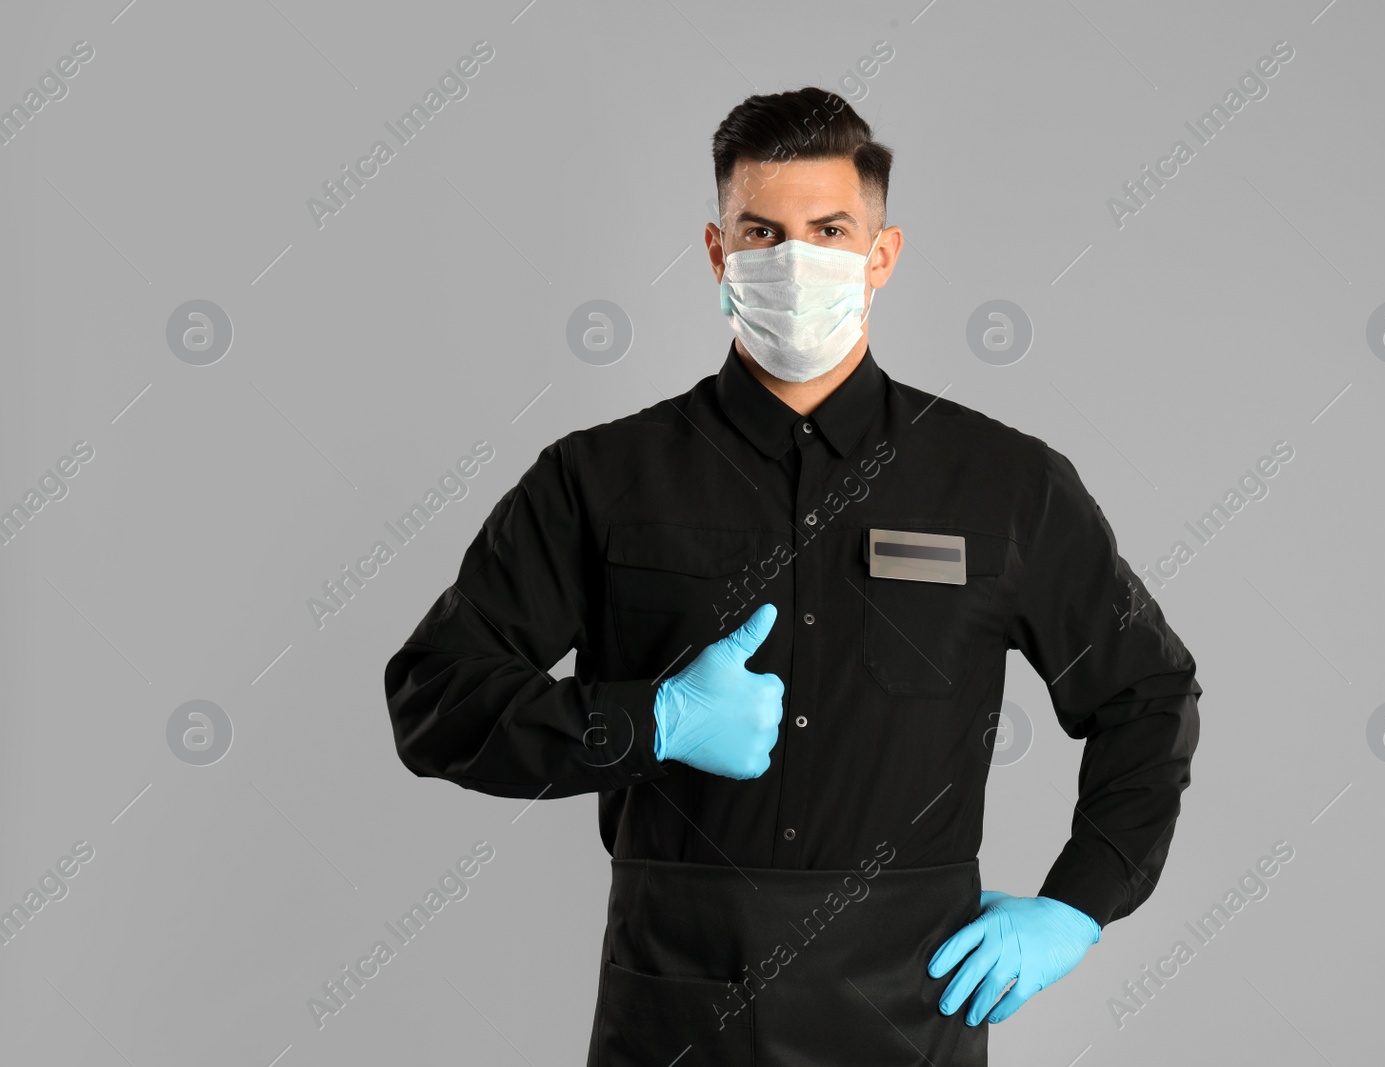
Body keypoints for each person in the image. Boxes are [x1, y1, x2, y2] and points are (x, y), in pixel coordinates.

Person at [383, 86, 1202, 1066]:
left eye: (829, 228)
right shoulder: (598, 478)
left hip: (909, 998)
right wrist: (655, 721)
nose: (794, 260)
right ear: (716, 252)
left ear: (881, 254)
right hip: (675, 1003)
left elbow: (1147, 692)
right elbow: (433, 695)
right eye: (761, 231)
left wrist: (1080, 900)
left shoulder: (1003, 484)